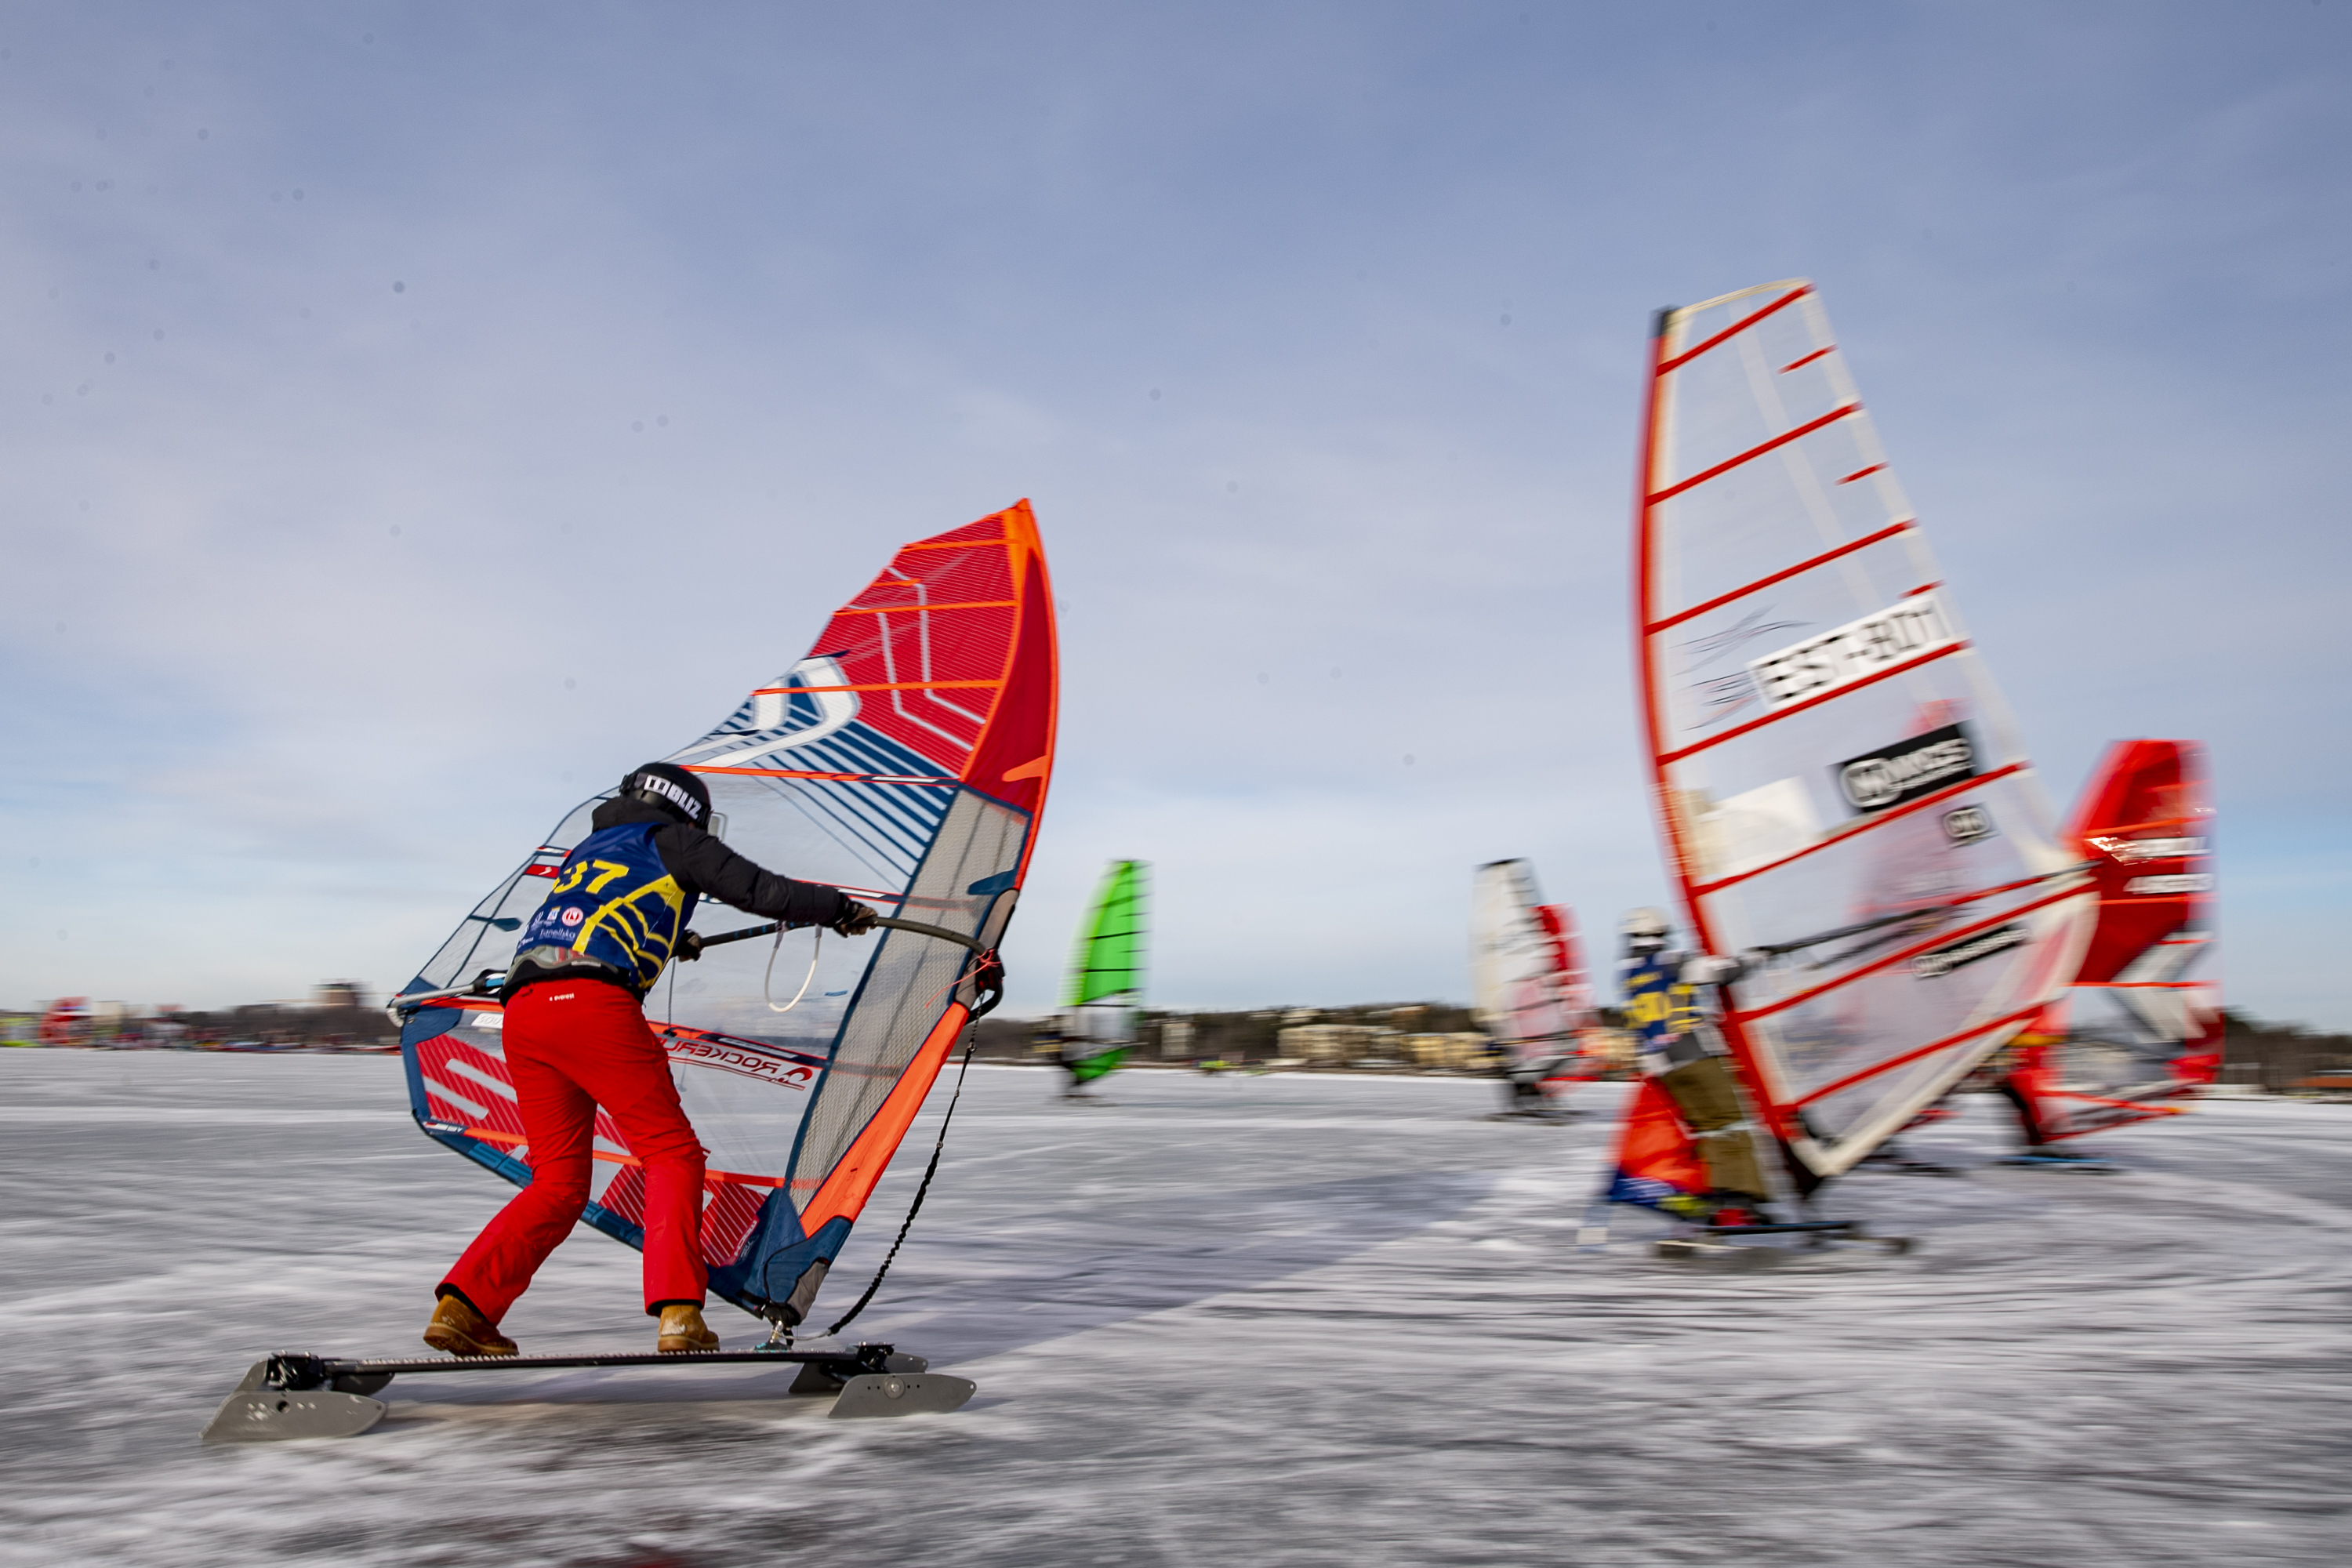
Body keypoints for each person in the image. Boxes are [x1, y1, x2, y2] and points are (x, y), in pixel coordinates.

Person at [423, 763, 878, 1358]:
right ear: (685, 810)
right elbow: (760, 890)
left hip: (527, 1013)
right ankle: (679, 1311)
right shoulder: (675, 840)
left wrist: (672, 936)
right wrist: (837, 908)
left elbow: (605, 909)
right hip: (592, 1008)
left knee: (557, 1183)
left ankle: (464, 1307)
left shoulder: (589, 850)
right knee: (672, 1154)